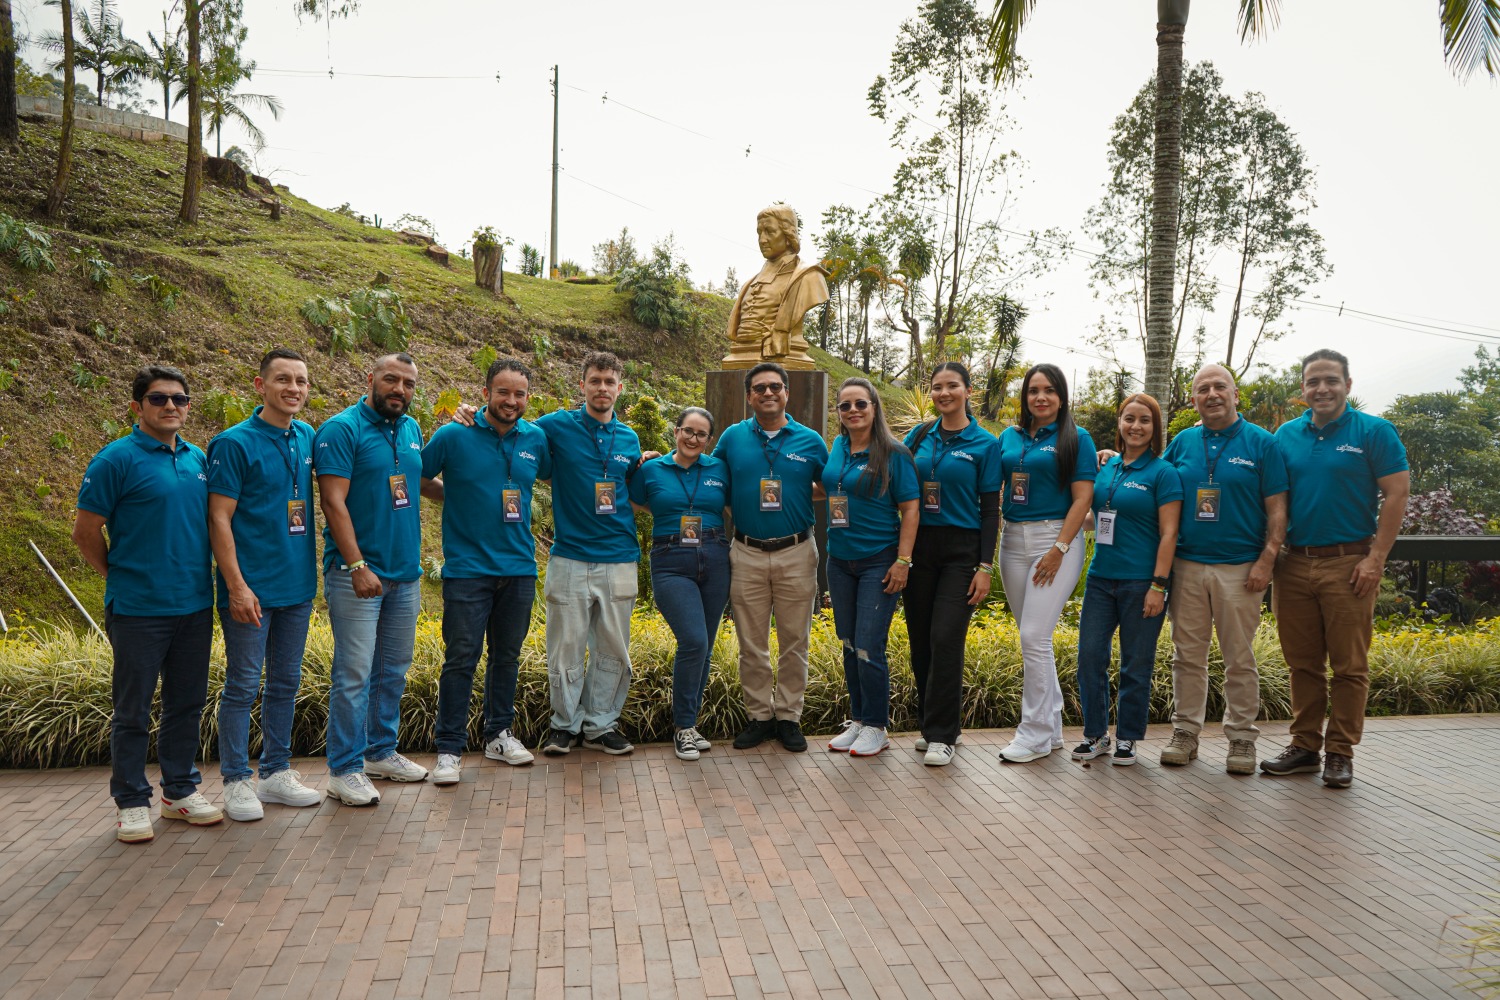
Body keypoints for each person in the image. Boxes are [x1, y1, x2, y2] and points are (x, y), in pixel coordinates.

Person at [73, 365, 223, 842]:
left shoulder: (198, 459)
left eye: (180, 399)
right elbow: (85, 532)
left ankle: (179, 793)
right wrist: (120, 576)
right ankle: (132, 801)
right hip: (138, 610)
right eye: (159, 399)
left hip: (195, 606)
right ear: (137, 407)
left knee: (186, 704)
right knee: (132, 710)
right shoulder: (115, 460)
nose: (171, 407)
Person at [1264, 349, 1409, 789]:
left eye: (1330, 380)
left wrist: (1375, 559)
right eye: (1313, 382)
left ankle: (1341, 753)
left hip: (1350, 562)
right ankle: (1305, 746)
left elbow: (1397, 494)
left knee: (1349, 665)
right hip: (1293, 563)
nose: (1321, 389)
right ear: (1303, 389)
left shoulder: (1374, 432)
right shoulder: (1285, 436)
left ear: (1348, 384)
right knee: (1302, 663)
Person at [419, 358, 549, 786]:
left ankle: (498, 735)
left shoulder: (535, 438)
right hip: (468, 570)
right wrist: (451, 495)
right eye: (503, 392)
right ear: (486, 393)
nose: (511, 401)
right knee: (460, 659)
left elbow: (563, 472)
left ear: (528, 397)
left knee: (506, 657)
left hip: (519, 568)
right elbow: (419, 476)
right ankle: (450, 749)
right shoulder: (453, 435)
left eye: (519, 394)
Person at [207, 348, 322, 822]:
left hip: (296, 587)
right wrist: (235, 586)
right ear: (260, 385)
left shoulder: (307, 436)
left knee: (285, 683)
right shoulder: (233, 443)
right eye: (282, 380)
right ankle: (236, 779)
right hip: (250, 591)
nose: (293, 388)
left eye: (300, 381)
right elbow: (219, 517)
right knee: (242, 685)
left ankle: (275, 772)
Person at [1158, 364, 1288, 774]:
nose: (1212, 394)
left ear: (1235, 394)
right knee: (1187, 656)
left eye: (1219, 387)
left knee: (1240, 657)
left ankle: (1242, 738)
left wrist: (1267, 559)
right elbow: (1155, 484)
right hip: (1188, 565)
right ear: (1193, 398)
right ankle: (1186, 733)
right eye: (1202, 389)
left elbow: (1278, 510)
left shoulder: (1262, 444)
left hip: (1241, 569)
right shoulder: (1181, 442)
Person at [315, 353, 429, 806]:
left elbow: (414, 487)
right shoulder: (343, 429)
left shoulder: (412, 429)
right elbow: (332, 501)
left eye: (408, 383)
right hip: (356, 575)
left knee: (392, 670)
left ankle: (380, 751)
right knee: (354, 673)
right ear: (370, 380)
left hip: (405, 574)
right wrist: (357, 564)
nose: (399, 389)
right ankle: (344, 768)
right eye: (391, 379)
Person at [713, 361, 830, 752]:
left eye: (775, 387)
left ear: (787, 393)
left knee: (796, 639)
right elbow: (713, 481)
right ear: (749, 396)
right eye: (759, 388)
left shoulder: (811, 440)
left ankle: (789, 717)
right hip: (745, 551)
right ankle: (760, 716)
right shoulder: (732, 438)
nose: (768, 393)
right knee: (752, 641)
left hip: (797, 551)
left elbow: (833, 484)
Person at [534, 351, 643, 755]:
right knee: (565, 646)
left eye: (609, 381)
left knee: (613, 648)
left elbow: (634, 481)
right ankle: (564, 724)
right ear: (581, 385)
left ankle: (600, 725)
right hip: (570, 556)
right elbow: (509, 430)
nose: (602, 388)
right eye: (595, 380)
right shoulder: (554, 426)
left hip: (619, 556)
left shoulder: (629, 438)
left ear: (620, 388)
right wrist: (471, 415)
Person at [1072, 394, 1182, 766]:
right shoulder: (1107, 468)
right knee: (1089, 657)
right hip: (1101, 579)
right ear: (1119, 422)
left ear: (1155, 428)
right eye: (1129, 418)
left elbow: (1169, 534)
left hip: (1141, 583)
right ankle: (1096, 734)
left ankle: (1128, 738)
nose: (1136, 426)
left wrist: (1158, 584)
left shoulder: (1163, 473)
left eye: (1145, 420)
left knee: (1136, 664)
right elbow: (1094, 518)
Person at [996, 364, 1098, 763]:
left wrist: (1058, 548)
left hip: (1054, 540)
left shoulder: (1077, 438)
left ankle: (1034, 734)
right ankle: (1051, 729)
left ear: (1061, 396)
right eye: (1034, 390)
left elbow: (1083, 498)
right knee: (1032, 637)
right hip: (1012, 539)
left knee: (1033, 637)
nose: (1041, 397)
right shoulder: (1009, 436)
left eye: (1050, 391)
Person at [900, 362, 1001, 766]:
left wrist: (984, 565)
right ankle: (932, 726)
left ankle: (943, 734)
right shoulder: (918, 435)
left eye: (953, 386)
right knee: (921, 638)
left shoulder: (985, 444)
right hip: (919, 545)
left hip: (962, 549)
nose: (944, 393)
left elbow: (991, 510)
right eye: (938, 387)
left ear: (968, 391)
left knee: (946, 637)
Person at [822, 378, 919, 758]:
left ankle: (877, 726)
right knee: (848, 642)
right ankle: (859, 720)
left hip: (878, 560)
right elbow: (828, 488)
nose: (852, 411)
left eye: (860, 404)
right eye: (844, 407)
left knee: (868, 644)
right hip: (839, 560)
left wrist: (903, 560)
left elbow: (910, 508)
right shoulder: (838, 447)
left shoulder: (894, 453)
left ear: (874, 408)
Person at [628, 407, 732, 761]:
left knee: (705, 645)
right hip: (671, 560)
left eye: (701, 434)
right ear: (676, 431)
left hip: (716, 556)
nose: (693, 439)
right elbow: (632, 503)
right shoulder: (652, 469)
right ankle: (683, 726)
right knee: (693, 640)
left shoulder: (720, 469)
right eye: (688, 431)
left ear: (709, 440)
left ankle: (691, 724)